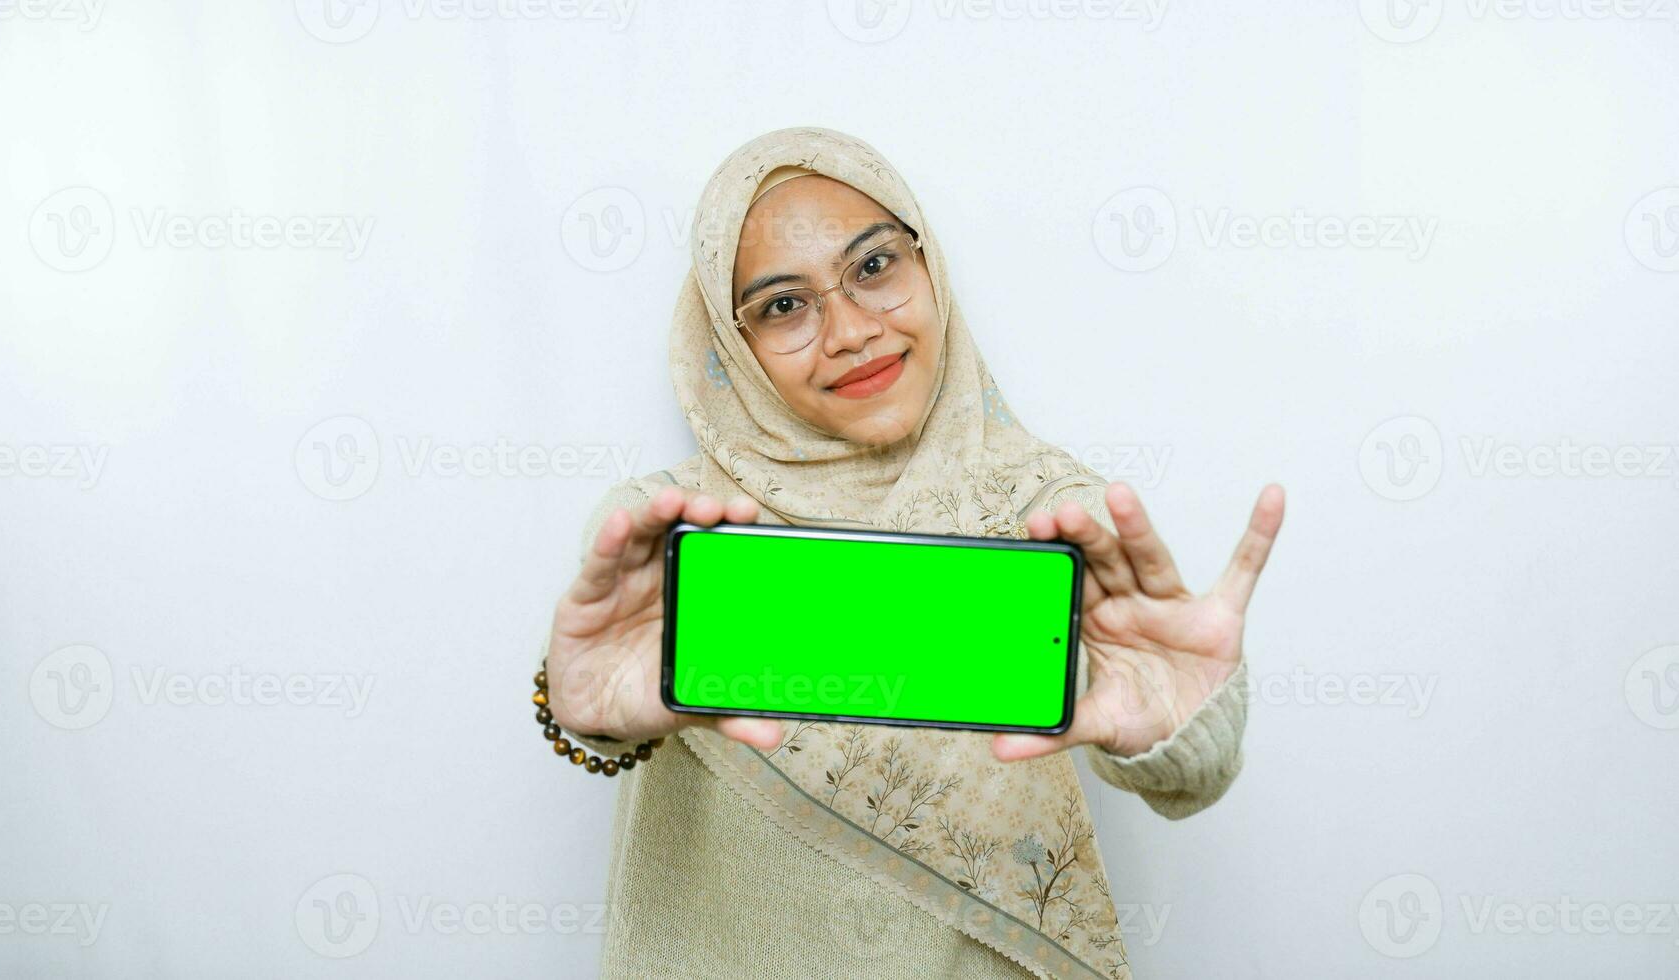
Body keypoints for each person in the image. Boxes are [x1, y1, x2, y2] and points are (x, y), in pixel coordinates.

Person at [535, 126, 1285, 979]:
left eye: (874, 267)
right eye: (784, 305)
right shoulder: (676, 534)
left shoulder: (1050, 516)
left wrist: (1184, 733)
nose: (850, 331)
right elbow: (601, 721)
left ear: (928, 265)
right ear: (729, 343)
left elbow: (1184, 777)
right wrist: (584, 712)